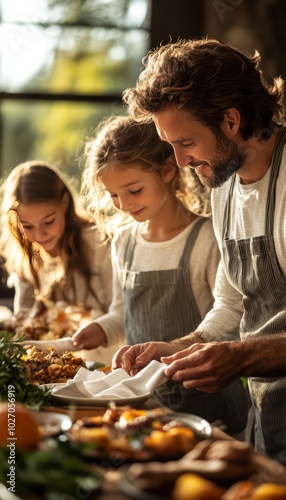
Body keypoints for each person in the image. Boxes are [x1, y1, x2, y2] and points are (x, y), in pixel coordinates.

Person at [111, 37, 286, 463]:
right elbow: (233, 302)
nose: (180, 160)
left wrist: (240, 356)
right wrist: (183, 345)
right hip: (268, 423)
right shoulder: (223, 184)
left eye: (186, 141)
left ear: (230, 119)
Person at [72, 115, 248, 436]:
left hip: (210, 411)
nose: (123, 204)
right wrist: (100, 328)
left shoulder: (207, 238)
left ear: (168, 172)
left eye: (134, 190)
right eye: (112, 195)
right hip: (142, 409)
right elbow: (122, 313)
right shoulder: (124, 241)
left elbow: (230, 320)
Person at [0, 160, 124, 363]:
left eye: (49, 221)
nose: (40, 235)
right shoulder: (26, 258)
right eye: (28, 226)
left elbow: (120, 317)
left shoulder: (101, 245)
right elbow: (25, 323)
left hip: (102, 367)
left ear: (65, 203)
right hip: (49, 370)